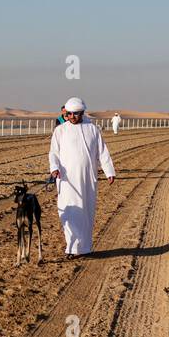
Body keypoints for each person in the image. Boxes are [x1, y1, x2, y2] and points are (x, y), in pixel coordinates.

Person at [48, 97, 116, 257]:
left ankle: (84, 247)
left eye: (75, 114)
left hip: (87, 178)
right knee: (70, 212)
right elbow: (53, 153)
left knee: (86, 212)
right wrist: (54, 168)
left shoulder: (92, 129)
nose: (72, 117)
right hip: (66, 180)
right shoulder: (60, 130)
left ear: (82, 113)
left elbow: (102, 152)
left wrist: (109, 171)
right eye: (69, 114)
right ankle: (72, 248)